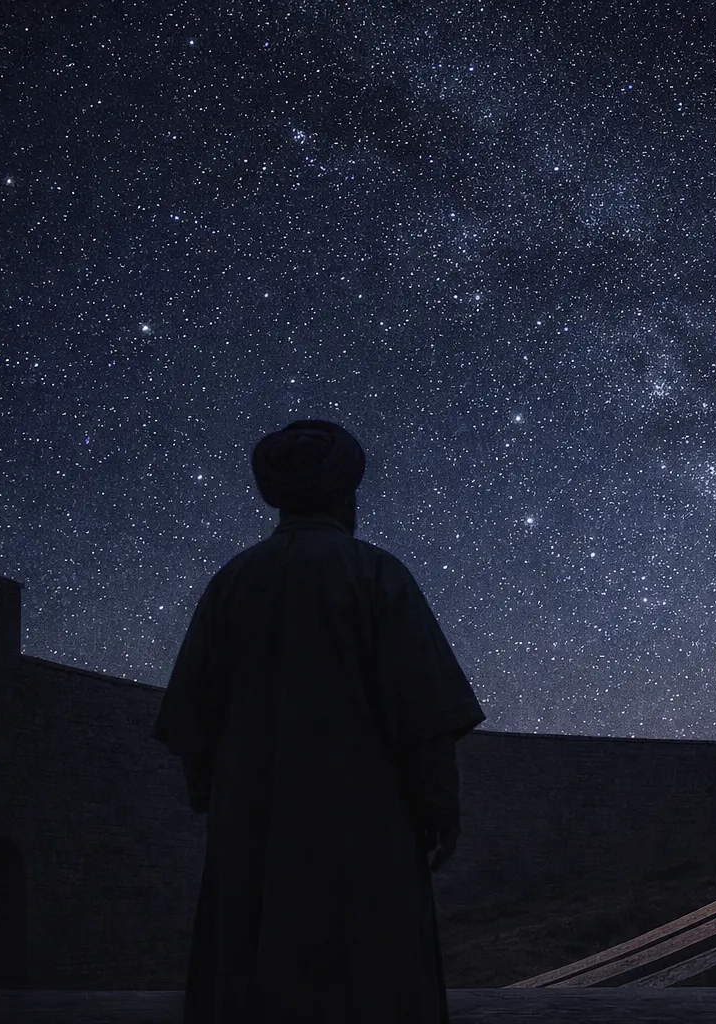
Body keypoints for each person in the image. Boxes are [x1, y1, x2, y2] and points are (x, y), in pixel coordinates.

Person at [153, 419, 484, 1023]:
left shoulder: (232, 583)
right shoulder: (377, 576)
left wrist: (222, 802)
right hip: (367, 836)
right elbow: (425, 716)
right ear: (344, 492)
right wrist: (441, 810)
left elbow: (191, 723)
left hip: (255, 831)